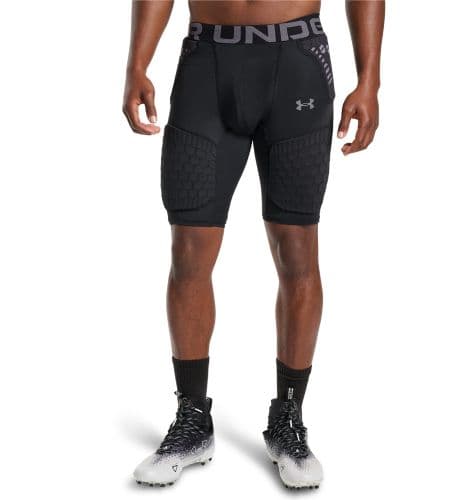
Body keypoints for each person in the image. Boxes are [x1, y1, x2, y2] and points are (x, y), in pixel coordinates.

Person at [122, 0, 384, 490]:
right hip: (206, 63)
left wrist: (369, 79)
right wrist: (137, 62)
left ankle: (289, 417)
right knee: (188, 250)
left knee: (297, 250)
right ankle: (193, 419)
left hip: (298, 63)